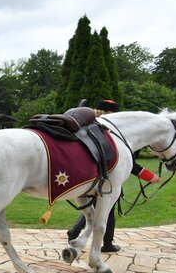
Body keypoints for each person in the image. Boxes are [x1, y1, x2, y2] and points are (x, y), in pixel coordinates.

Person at [65, 99, 161, 252]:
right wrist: (150, 176)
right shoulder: (110, 134)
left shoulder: (89, 130)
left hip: (90, 178)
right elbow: (130, 166)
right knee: (106, 212)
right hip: (106, 180)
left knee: (95, 209)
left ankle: (80, 232)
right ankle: (104, 242)